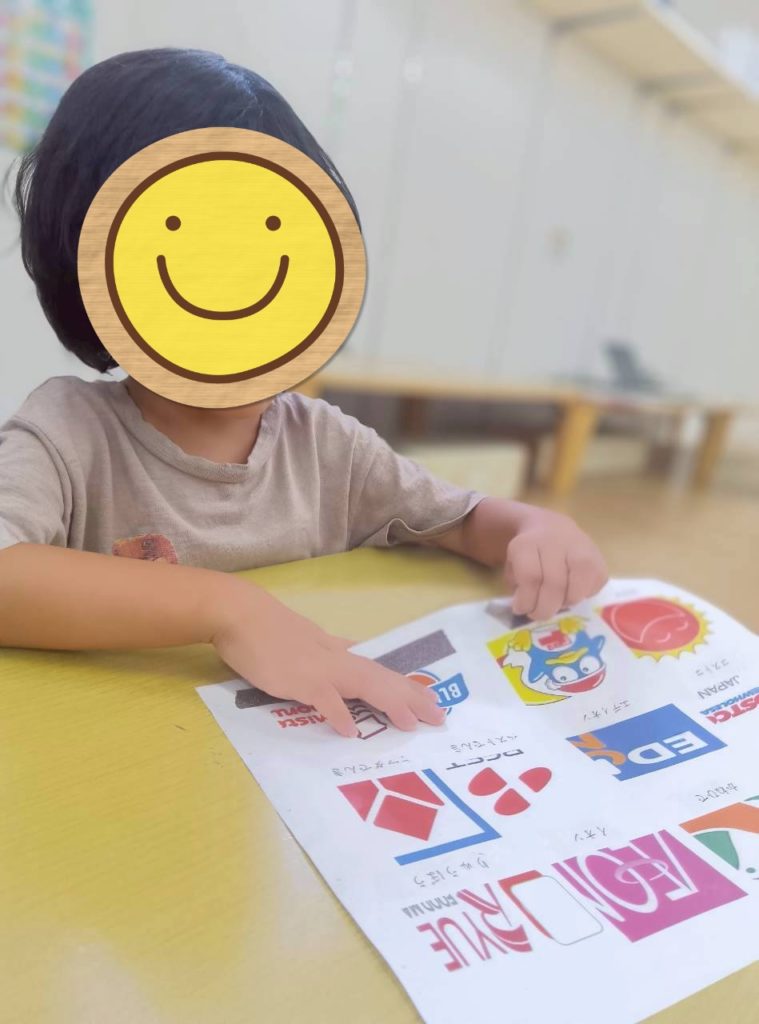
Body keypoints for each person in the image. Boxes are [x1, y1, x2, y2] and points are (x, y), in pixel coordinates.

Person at [0, 49, 607, 737]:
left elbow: (458, 521)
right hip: (117, 752)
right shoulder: (69, 432)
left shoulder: (325, 446)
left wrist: (535, 527)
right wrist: (223, 608)